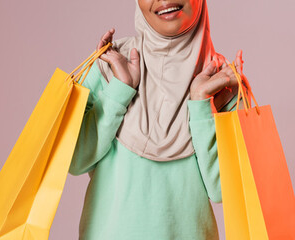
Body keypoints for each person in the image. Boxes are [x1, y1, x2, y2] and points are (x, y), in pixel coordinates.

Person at [68, 0, 247, 239]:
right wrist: (119, 92)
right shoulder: (109, 63)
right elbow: (74, 161)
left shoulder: (222, 80)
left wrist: (201, 102)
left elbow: (222, 190)